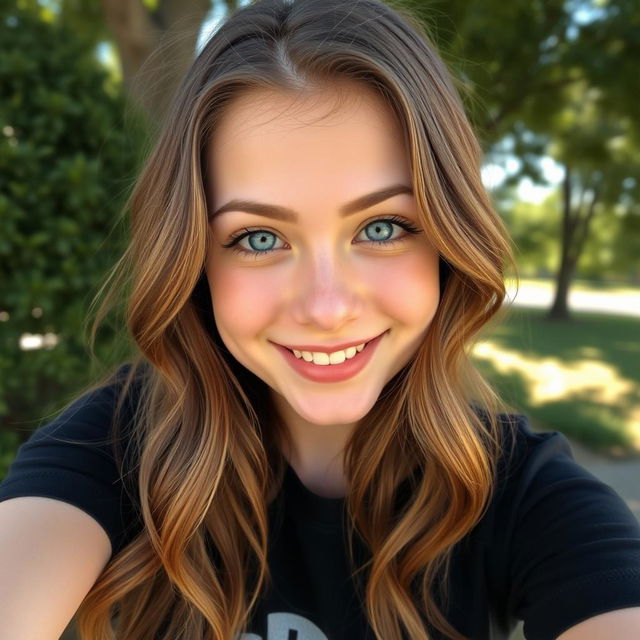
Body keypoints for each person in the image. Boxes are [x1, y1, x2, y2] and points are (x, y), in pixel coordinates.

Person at [1, 0, 639, 638]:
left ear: (448, 241)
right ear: (195, 260)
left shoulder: (527, 498)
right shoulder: (110, 450)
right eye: (257, 239)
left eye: (382, 227)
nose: (327, 308)